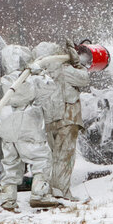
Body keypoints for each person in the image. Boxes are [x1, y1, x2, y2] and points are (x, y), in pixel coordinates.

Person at [0, 45, 60, 212]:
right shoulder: (29, 79)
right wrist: (40, 73)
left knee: (10, 163)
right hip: (27, 125)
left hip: (6, 124)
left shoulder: (5, 79)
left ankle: (7, 199)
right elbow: (49, 88)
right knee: (42, 159)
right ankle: (39, 194)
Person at [32, 40, 90, 200]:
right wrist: (77, 62)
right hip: (67, 119)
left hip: (50, 121)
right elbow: (84, 79)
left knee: (53, 157)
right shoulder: (64, 70)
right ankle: (62, 193)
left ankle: (51, 190)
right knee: (65, 157)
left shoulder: (39, 74)